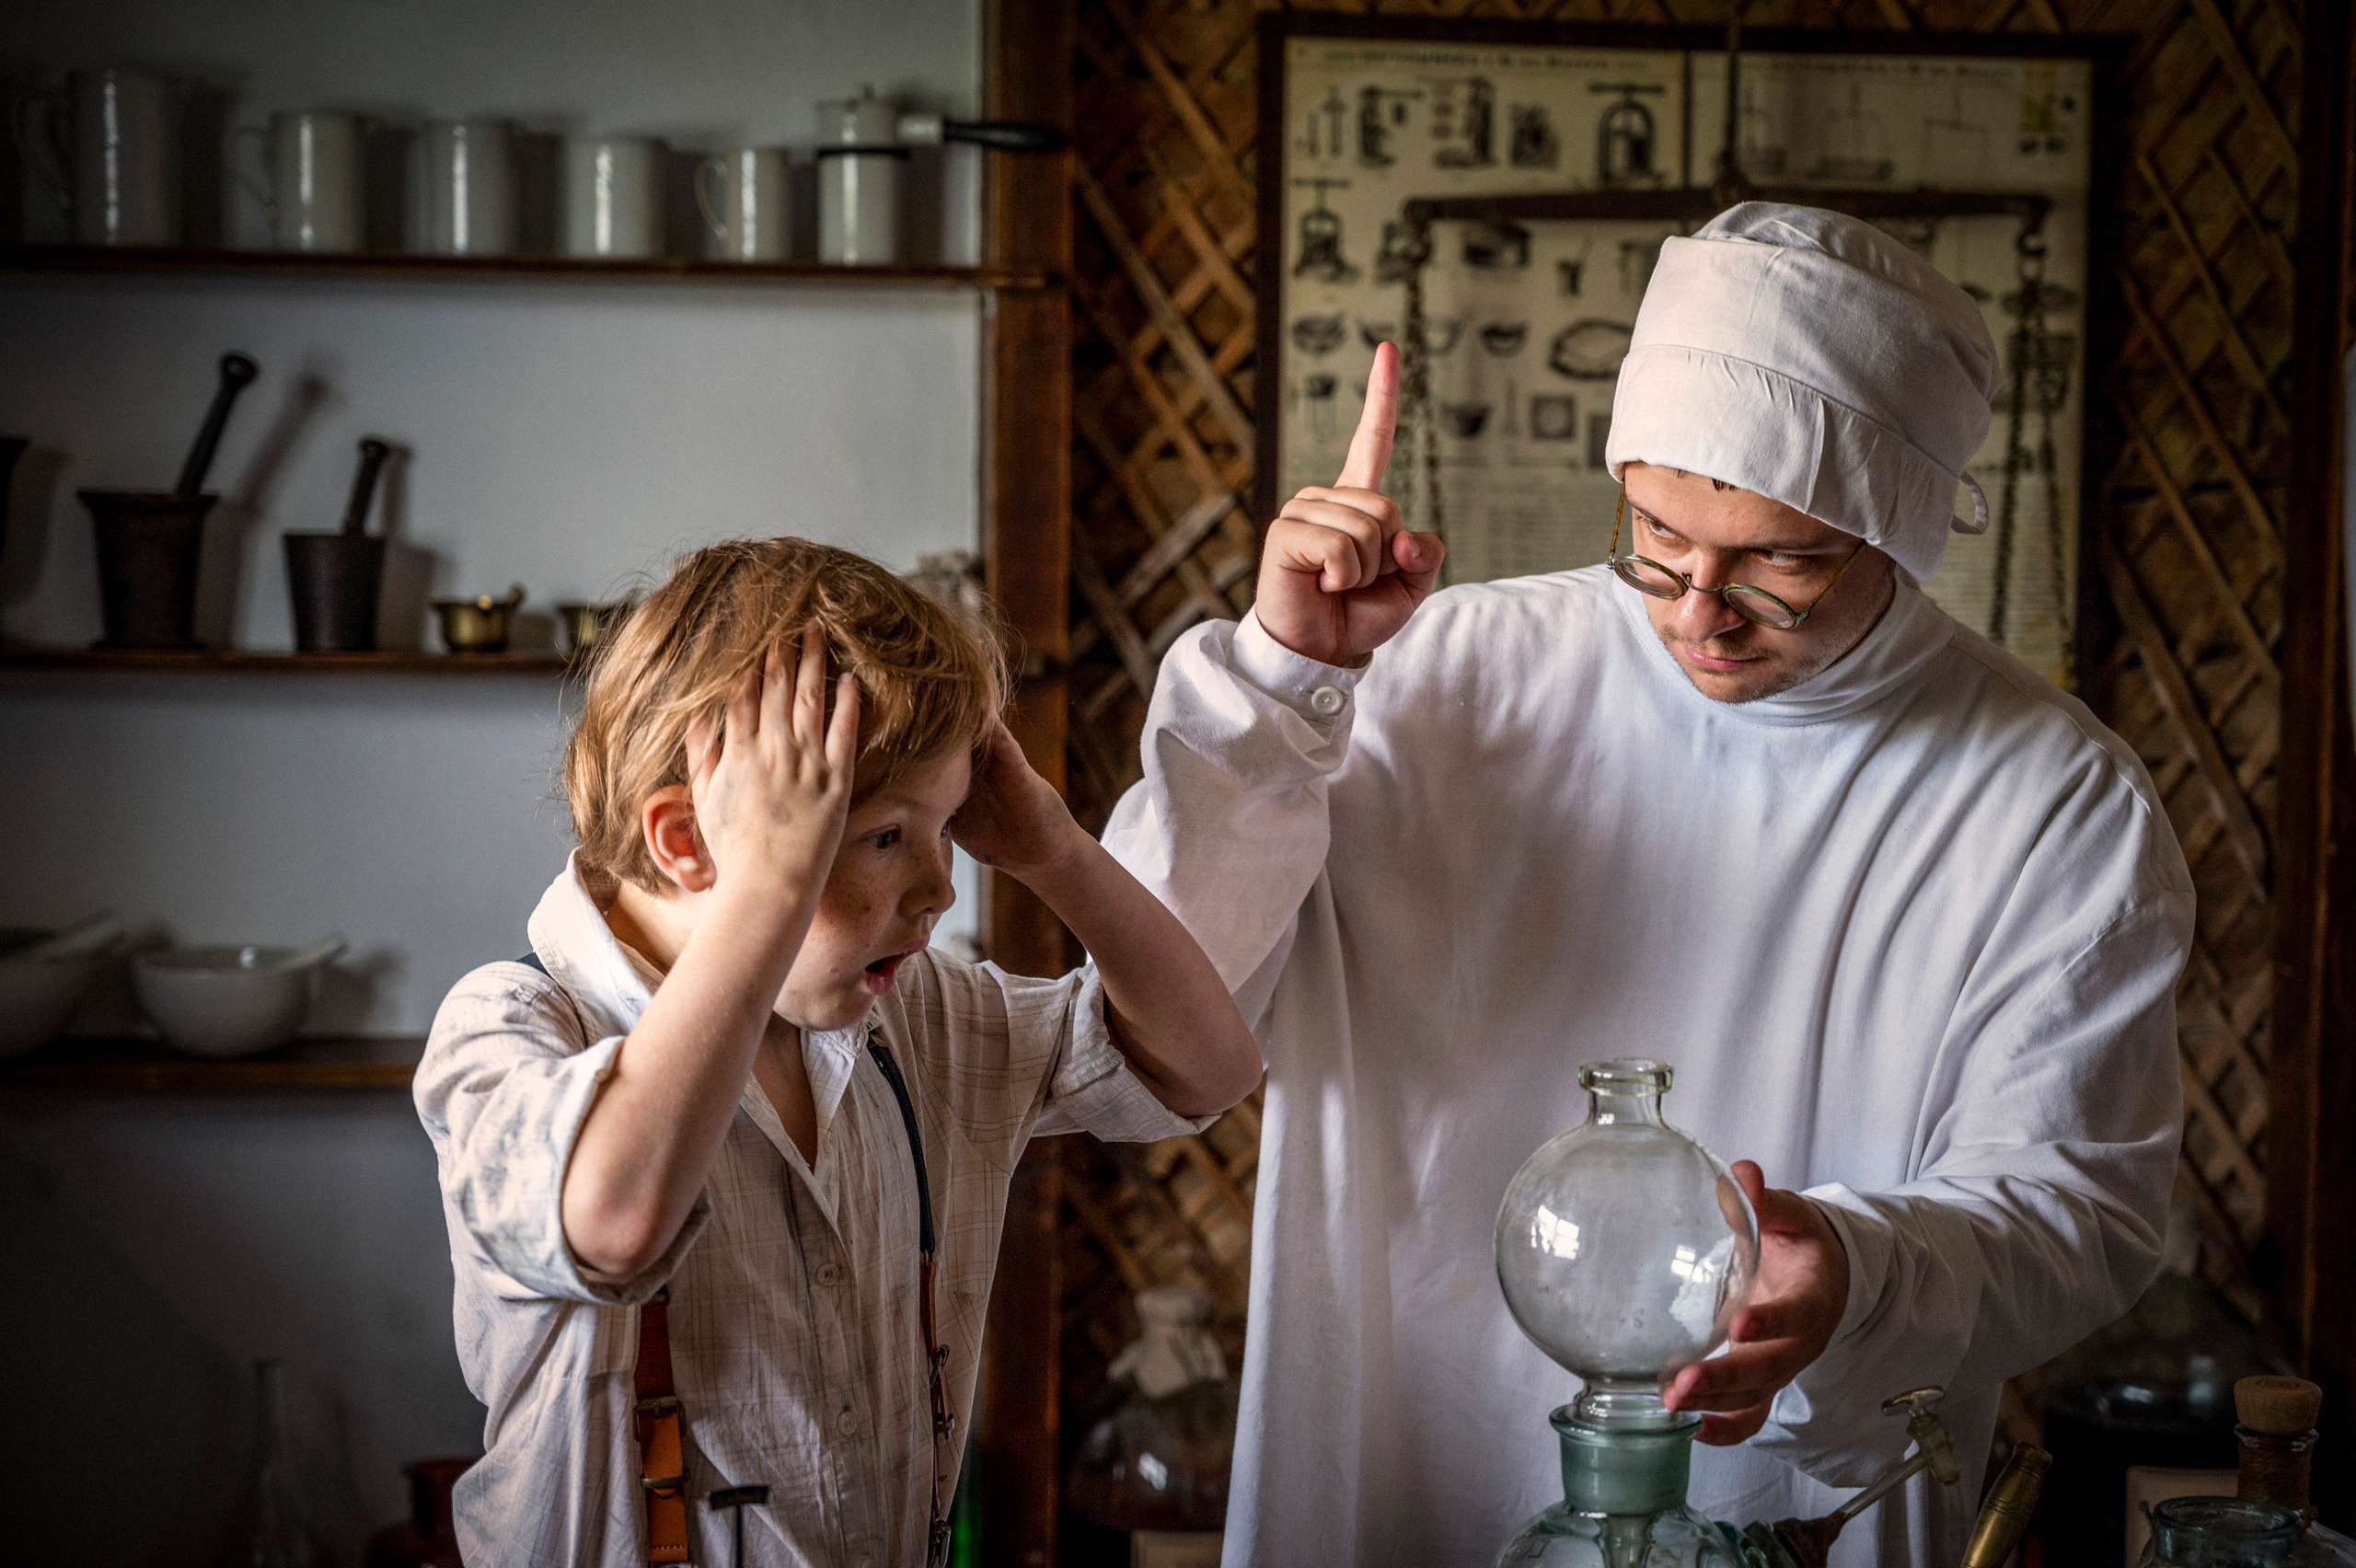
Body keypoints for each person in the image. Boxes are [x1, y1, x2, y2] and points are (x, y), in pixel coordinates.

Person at [1103, 204, 2192, 1566]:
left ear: (1905, 531)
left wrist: (1858, 1271)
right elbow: (1158, 1022)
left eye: (1781, 562)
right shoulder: (1450, 676)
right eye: (1661, 533)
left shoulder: (2046, 798)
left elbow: (2079, 1205)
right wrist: (1280, 682)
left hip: (1790, 1495)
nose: (1698, 608)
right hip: (1400, 1434)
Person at [415, 538, 1261, 1567]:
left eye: (948, 826)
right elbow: (615, 1221)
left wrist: (1055, 851)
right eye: (881, 837)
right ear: (687, 843)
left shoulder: (917, 1018)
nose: (941, 888)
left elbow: (1204, 1071)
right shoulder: (514, 1027)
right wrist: (770, 888)